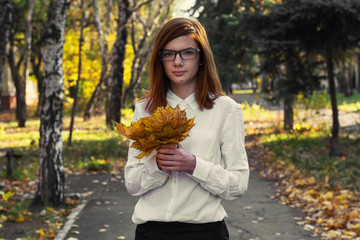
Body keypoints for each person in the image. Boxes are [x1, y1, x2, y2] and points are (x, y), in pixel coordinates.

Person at [124, 17, 249, 240]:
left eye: (187, 53)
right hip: (152, 232)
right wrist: (157, 167)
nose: (178, 62)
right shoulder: (146, 108)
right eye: (169, 53)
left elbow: (238, 184)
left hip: (206, 232)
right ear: (160, 59)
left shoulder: (226, 110)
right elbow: (132, 184)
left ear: (201, 57)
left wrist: (193, 165)